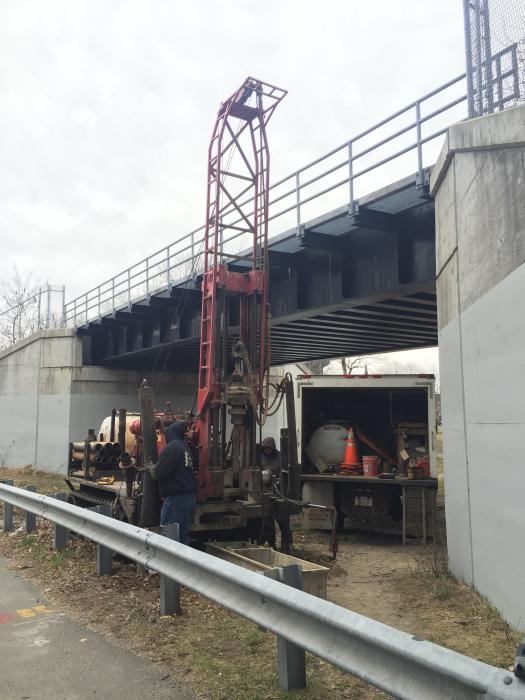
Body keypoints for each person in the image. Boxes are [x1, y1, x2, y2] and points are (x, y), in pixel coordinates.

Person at [147, 421, 197, 546]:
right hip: (189, 499)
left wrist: (151, 468)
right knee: (182, 535)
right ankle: (182, 563)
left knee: (168, 535)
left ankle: (167, 563)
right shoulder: (186, 448)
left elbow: (158, 473)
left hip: (175, 500)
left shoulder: (173, 447)